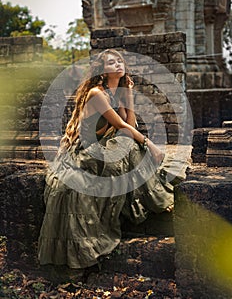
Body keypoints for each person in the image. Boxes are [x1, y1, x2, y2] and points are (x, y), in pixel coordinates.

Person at [38, 49, 174, 270]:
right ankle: (155, 200)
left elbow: (130, 123)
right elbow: (122, 126)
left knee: (128, 145)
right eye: (111, 62)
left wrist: (128, 96)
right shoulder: (96, 93)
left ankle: (153, 199)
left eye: (120, 60)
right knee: (130, 146)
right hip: (87, 151)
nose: (118, 64)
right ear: (103, 70)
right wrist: (150, 145)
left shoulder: (116, 92)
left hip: (104, 145)